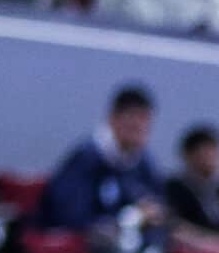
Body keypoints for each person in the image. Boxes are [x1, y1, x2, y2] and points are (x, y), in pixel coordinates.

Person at [36, 84, 167, 238]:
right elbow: (72, 218)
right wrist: (132, 217)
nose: (140, 128)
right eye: (133, 122)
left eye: (145, 123)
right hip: (77, 246)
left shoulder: (144, 162)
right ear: (112, 119)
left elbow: (157, 205)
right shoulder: (85, 158)